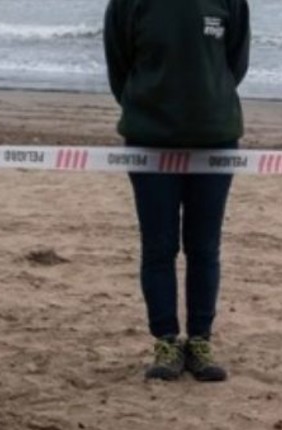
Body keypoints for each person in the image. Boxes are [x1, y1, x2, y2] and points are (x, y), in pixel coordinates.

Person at [102, 0, 251, 382]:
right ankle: (166, 341)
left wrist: (207, 104)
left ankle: (200, 341)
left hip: (215, 139)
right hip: (149, 140)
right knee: (159, 246)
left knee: (204, 247)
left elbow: (235, 63)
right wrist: (150, 111)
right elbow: (119, 65)